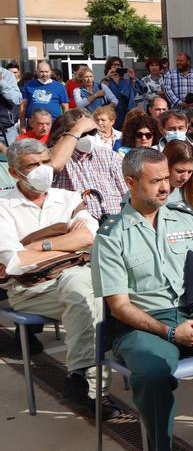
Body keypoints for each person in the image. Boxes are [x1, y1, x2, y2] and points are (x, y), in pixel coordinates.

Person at [91, 147, 193, 451]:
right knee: (153, 373)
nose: (165, 187)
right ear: (131, 182)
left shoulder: (184, 219)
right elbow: (119, 307)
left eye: (166, 178)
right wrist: (172, 333)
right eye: (155, 181)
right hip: (142, 326)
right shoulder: (111, 235)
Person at [0, 138, 122, 416]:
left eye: (45, 162)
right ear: (14, 172)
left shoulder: (69, 198)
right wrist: (67, 242)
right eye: (32, 165)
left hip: (76, 280)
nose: (42, 170)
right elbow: (16, 262)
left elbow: (89, 237)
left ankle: (86, 383)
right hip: (31, 290)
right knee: (91, 295)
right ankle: (88, 384)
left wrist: (38, 245)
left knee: (83, 291)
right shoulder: (3, 207)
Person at [48, 110, 127, 219]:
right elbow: (54, 164)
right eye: (83, 133)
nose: (89, 137)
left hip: (114, 228)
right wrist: (77, 130)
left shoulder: (111, 157)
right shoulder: (55, 158)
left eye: (92, 132)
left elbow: (128, 198)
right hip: (77, 230)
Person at [19, 62, 69, 128]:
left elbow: (65, 107)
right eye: (41, 72)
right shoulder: (28, 85)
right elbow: (23, 106)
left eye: (46, 72)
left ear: (51, 72)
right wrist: (22, 126)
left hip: (54, 124)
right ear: (36, 72)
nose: (44, 74)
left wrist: (64, 125)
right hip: (33, 124)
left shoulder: (60, 87)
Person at [101, 57, 138, 128]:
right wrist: (107, 76)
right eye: (114, 65)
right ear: (109, 66)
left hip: (125, 112)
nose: (116, 67)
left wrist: (133, 79)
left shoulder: (125, 81)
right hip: (111, 112)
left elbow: (133, 95)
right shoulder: (106, 80)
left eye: (119, 65)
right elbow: (103, 91)